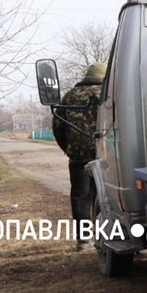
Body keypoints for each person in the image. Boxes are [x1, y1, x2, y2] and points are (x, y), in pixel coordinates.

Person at [52, 62, 105, 251]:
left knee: (81, 197)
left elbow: (57, 126)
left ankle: (84, 240)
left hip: (78, 158)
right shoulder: (108, 93)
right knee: (106, 196)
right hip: (106, 156)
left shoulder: (69, 96)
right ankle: (109, 237)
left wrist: (69, 148)